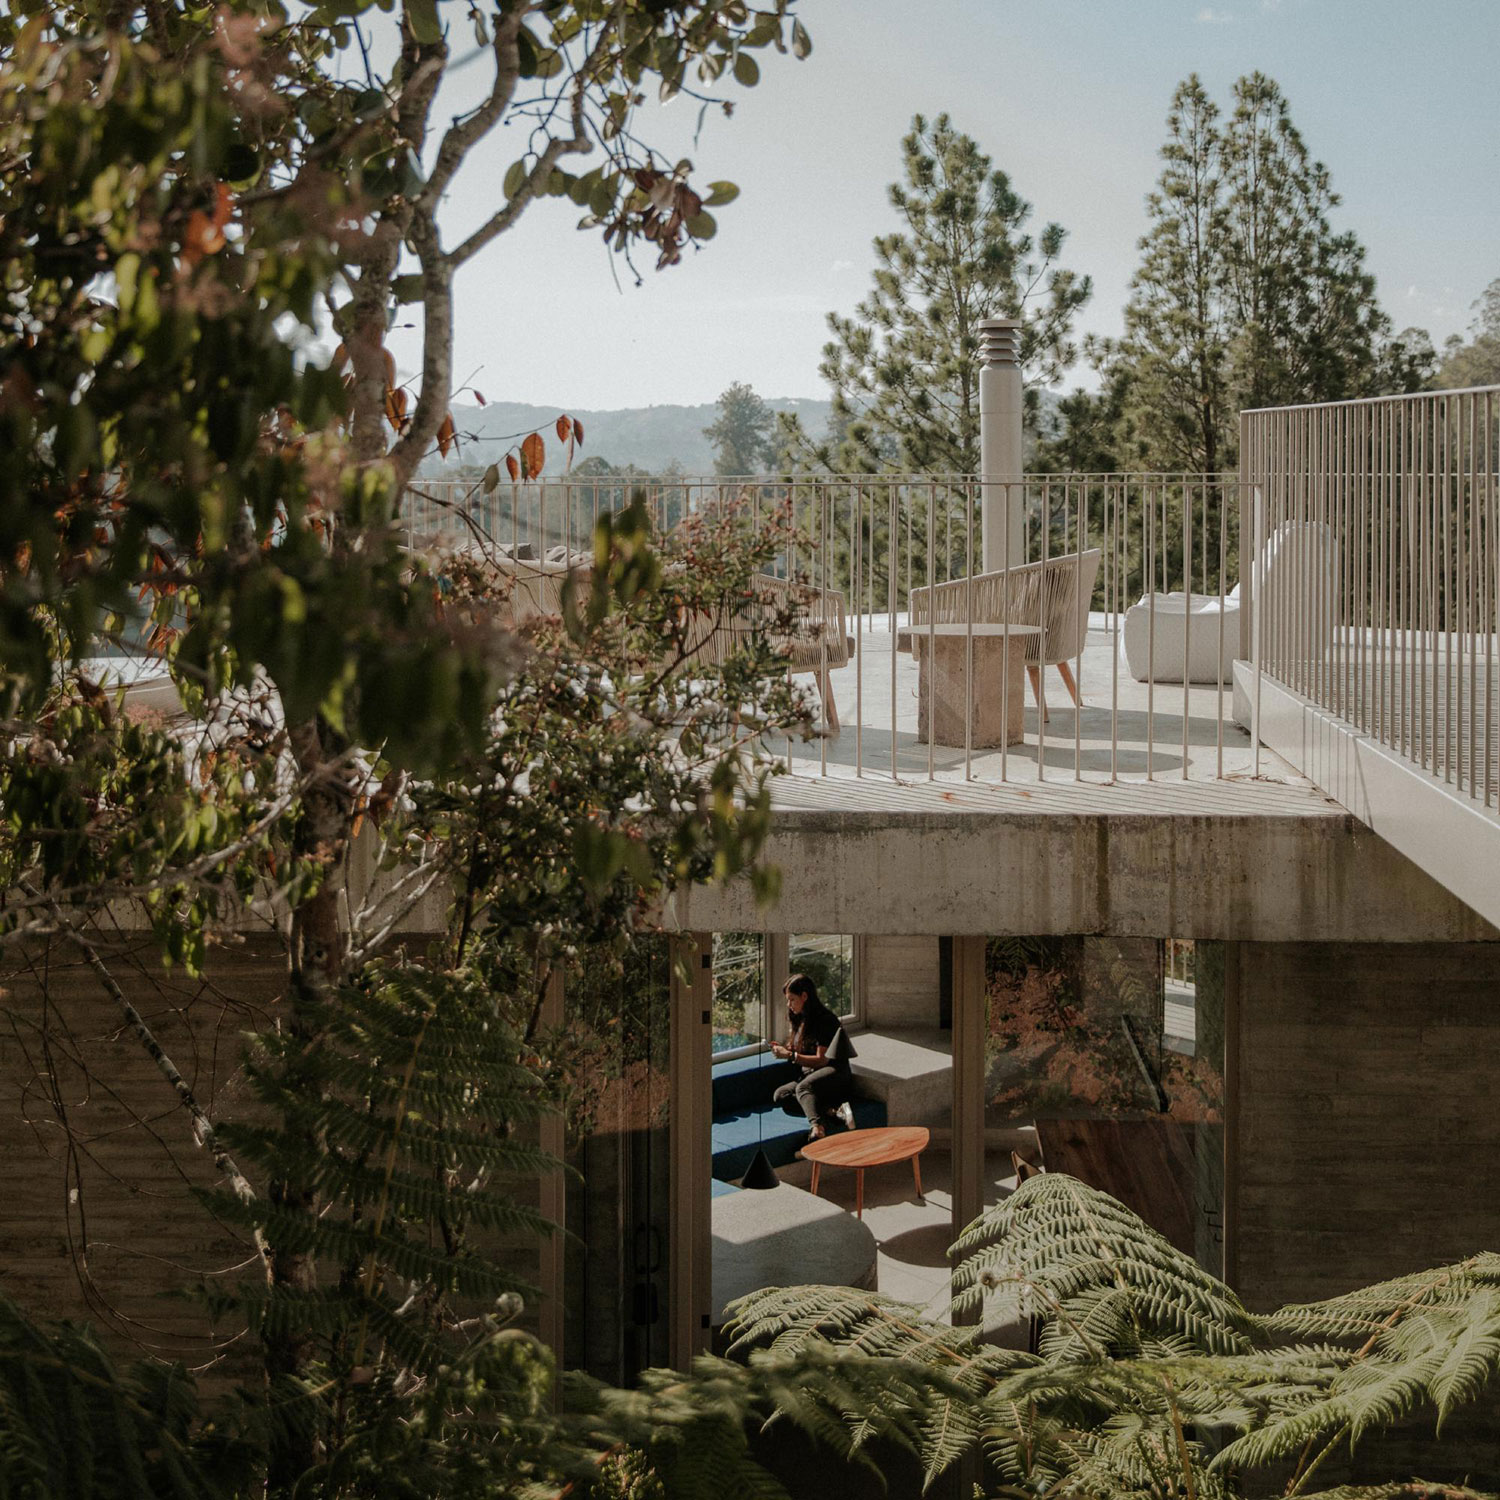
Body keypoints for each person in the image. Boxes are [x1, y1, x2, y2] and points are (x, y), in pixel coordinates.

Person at [770, 973, 857, 1141]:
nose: (789, 1005)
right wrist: (785, 1049)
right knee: (781, 1095)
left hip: (833, 1072)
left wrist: (790, 1055)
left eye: (792, 1000)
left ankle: (817, 1127)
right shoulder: (800, 1020)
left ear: (804, 996)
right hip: (811, 1073)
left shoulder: (825, 1021)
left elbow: (822, 1060)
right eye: (787, 1000)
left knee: (803, 1088)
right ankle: (832, 1111)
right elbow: (802, 1050)